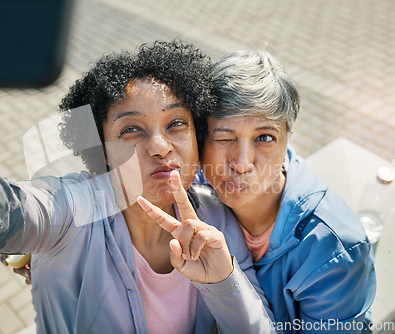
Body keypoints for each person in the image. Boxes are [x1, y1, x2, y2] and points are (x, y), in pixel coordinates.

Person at [0, 41, 276, 333]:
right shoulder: (73, 209)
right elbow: (1, 213)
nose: (160, 147)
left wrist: (223, 283)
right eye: (131, 130)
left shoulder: (218, 220)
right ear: (102, 153)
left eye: (176, 124)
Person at [153, 49, 375, 333]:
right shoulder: (188, 186)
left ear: (288, 140)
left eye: (265, 138)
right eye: (224, 137)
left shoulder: (333, 248)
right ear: (200, 139)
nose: (242, 163)